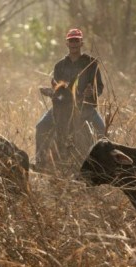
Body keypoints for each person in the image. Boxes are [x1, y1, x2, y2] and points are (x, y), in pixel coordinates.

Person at [35, 28, 105, 166]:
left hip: (85, 107)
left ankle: (101, 165)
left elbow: (100, 88)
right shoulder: (59, 65)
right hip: (63, 107)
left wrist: (91, 92)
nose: (73, 43)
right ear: (67, 43)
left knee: (101, 129)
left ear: (81, 43)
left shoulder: (91, 64)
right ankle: (39, 159)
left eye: (76, 40)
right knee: (41, 126)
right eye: (71, 41)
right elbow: (57, 89)